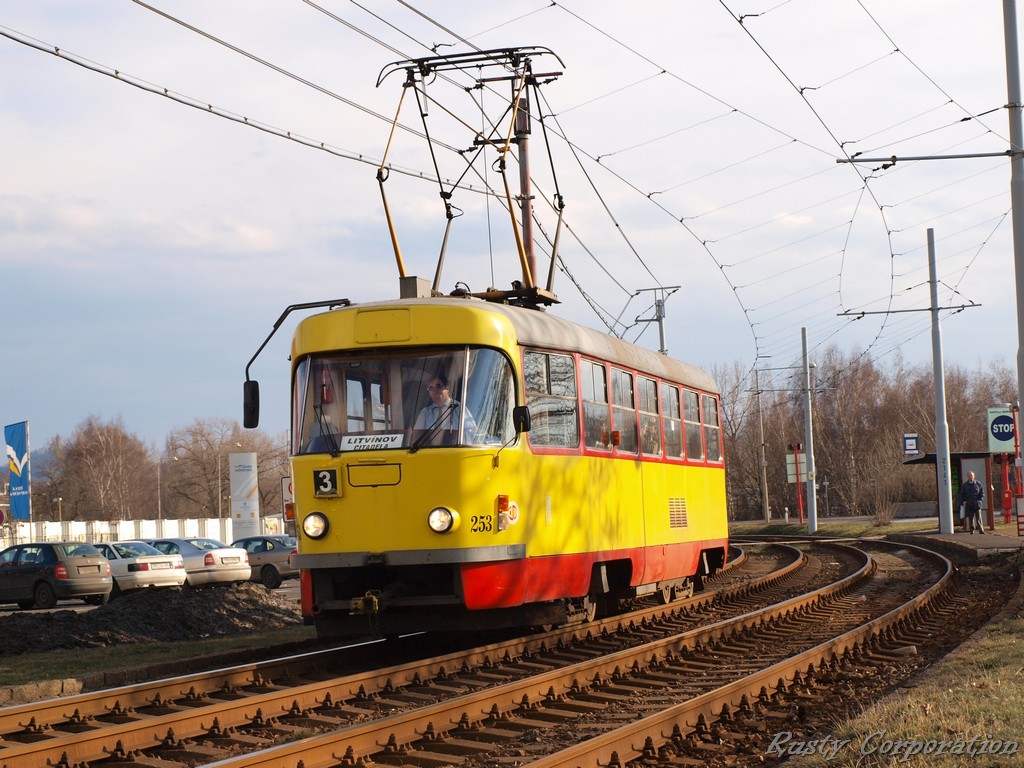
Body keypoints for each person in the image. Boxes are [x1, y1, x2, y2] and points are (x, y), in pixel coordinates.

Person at [413, 374, 476, 443]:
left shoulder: (459, 409)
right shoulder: (425, 412)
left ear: (447, 388)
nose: (435, 390)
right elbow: (416, 436)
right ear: (429, 393)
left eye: (438, 385)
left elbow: (471, 432)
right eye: (431, 388)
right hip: (430, 452)